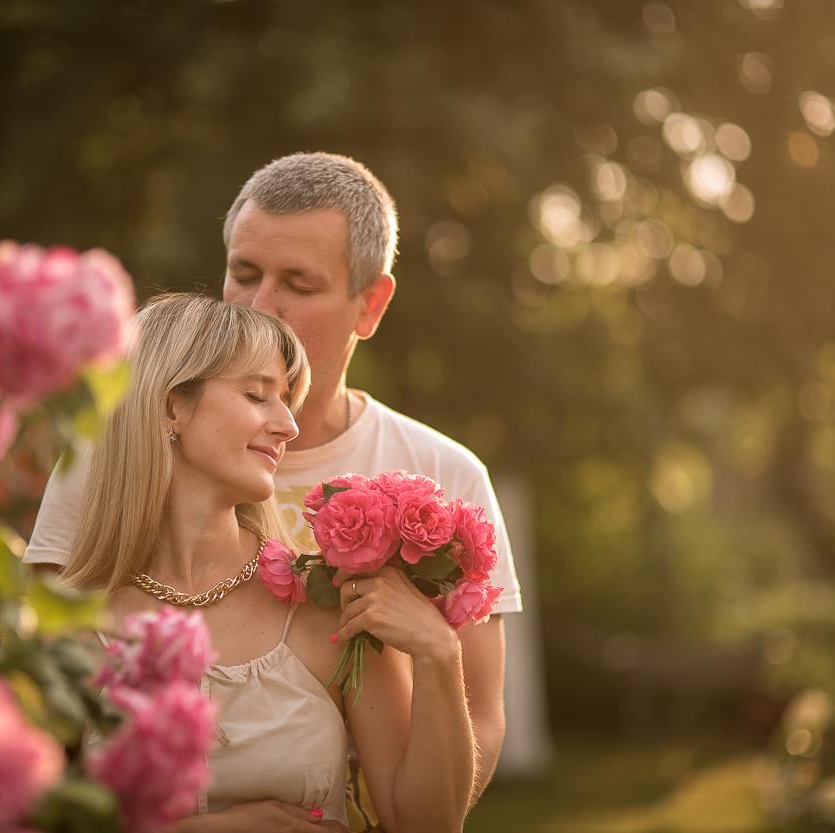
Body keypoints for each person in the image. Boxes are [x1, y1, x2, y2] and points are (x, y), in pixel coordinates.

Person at [27, 152, 522, 828]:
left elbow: (472, 733)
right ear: (172, 406)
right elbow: (36, 758)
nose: (262, 305)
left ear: (369, 303)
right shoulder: (95, 480)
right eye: (244, 273)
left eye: (299, 282)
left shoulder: (440, 479)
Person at [67, 293, 472, 833]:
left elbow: (427, 825)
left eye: (287, 401)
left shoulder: (330, 603)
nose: (289, 426)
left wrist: (440, 655)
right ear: (171, 406)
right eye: (258, 395)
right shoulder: (66, 625)